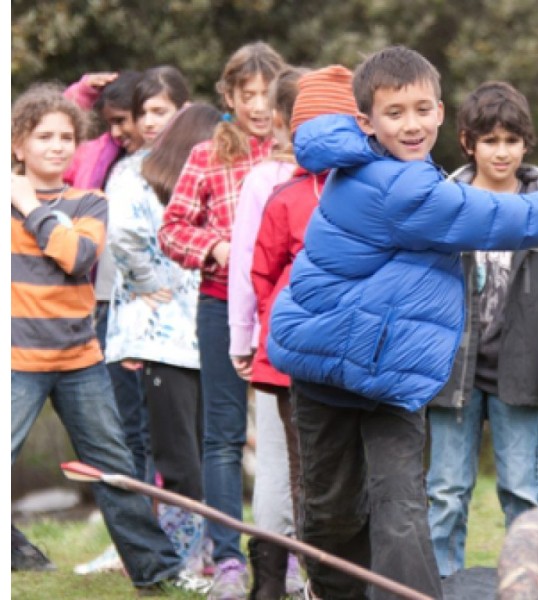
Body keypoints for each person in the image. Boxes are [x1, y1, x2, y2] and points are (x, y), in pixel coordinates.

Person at [267, 45, 538, 600]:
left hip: (385, 372)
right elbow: (489, 217)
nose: (412, 125)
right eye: (395, 114)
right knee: (333, 508)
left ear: (441, 111)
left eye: (422, 110)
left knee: (398, 504)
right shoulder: (397, 185)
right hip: (328, 371)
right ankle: (337, 591)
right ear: (366, 121)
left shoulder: (384, 165)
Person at [10, 82, 208, 594]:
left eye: (65, 137)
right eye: (43, 137)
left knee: (115, 469)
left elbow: (76, 256)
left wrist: (28, 203)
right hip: (16, 360)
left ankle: (157, 572)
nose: (56, 146)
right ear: (18, 146)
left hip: (79, 361)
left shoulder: (90, 202)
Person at [426, 81, 538, 578]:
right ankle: (440, 585)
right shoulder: (446, 201)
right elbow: (423, 294)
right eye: (490, 141)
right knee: (446, 491)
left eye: (511, 141)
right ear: (468, 142)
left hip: (520, 370)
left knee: (522, 491)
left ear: (525, 144)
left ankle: (527, 584)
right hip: (454, 371)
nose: (501, 152)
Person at [158, 41, 286, 600]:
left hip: (283, 309)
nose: (258, 105)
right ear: (229, 96)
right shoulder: (209, 153)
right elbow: (172, 229)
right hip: (218, 306)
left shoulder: (293, 152)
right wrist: (214, 247)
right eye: (247, 93)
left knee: (291, 438)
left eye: (267, 93)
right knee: (222, 436)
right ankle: (229, 561)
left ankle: (291, 554)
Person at [246, 64, 360, 599]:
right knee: (310, 475)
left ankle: (301, 582)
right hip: (301, 359)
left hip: (314, 354)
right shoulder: (288, 195)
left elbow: (262, 277)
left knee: (303, 472)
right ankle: (290, 583)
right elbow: (263, 273)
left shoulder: (289, 194)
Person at [104, 68, 213, 574]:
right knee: (168, 453)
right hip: (155, 335)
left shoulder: (202, 167)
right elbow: (122, 235)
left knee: (197, 450)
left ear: (183, 112)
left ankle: (199, 550)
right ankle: (178, 555)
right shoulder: (131, 171)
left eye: (160, 111)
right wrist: (148, 281)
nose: (150, 122)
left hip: (198, 330)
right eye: (143, 111)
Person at [228, 65, 305, 599]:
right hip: (314, 344)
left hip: (276, 340)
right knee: (316, 461)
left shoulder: (265, 180)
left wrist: (240, 338)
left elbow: (245, 269)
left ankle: (270, 585)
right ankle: (296, 576)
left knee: (278, 461)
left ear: (277, 121)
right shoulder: (353, 178)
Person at [65, 70, 155, 495]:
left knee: (151, 422)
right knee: (122, 422)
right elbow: (53, 127)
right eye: (111, 122)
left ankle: (162, 517)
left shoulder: (162, 159)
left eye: (125, 120)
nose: (118, 131)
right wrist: (81, 93)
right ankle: (134, 516)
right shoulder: (96, 155)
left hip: (147, 304)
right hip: (99, 302)